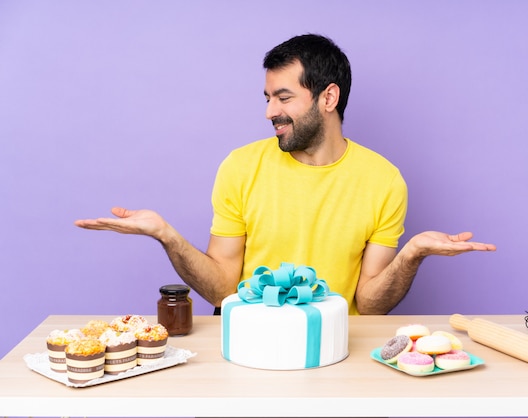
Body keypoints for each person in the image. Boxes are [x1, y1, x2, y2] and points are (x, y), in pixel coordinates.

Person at [75, 34, 496, 315]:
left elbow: (368, 305)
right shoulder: (241, 166)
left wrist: (411, 255)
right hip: (248, 347)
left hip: (334, 352)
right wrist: (166, 235)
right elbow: (223, 288)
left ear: (327, 97)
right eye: (267, 97)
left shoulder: (384, 180)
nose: (269, 111)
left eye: (283, 97)